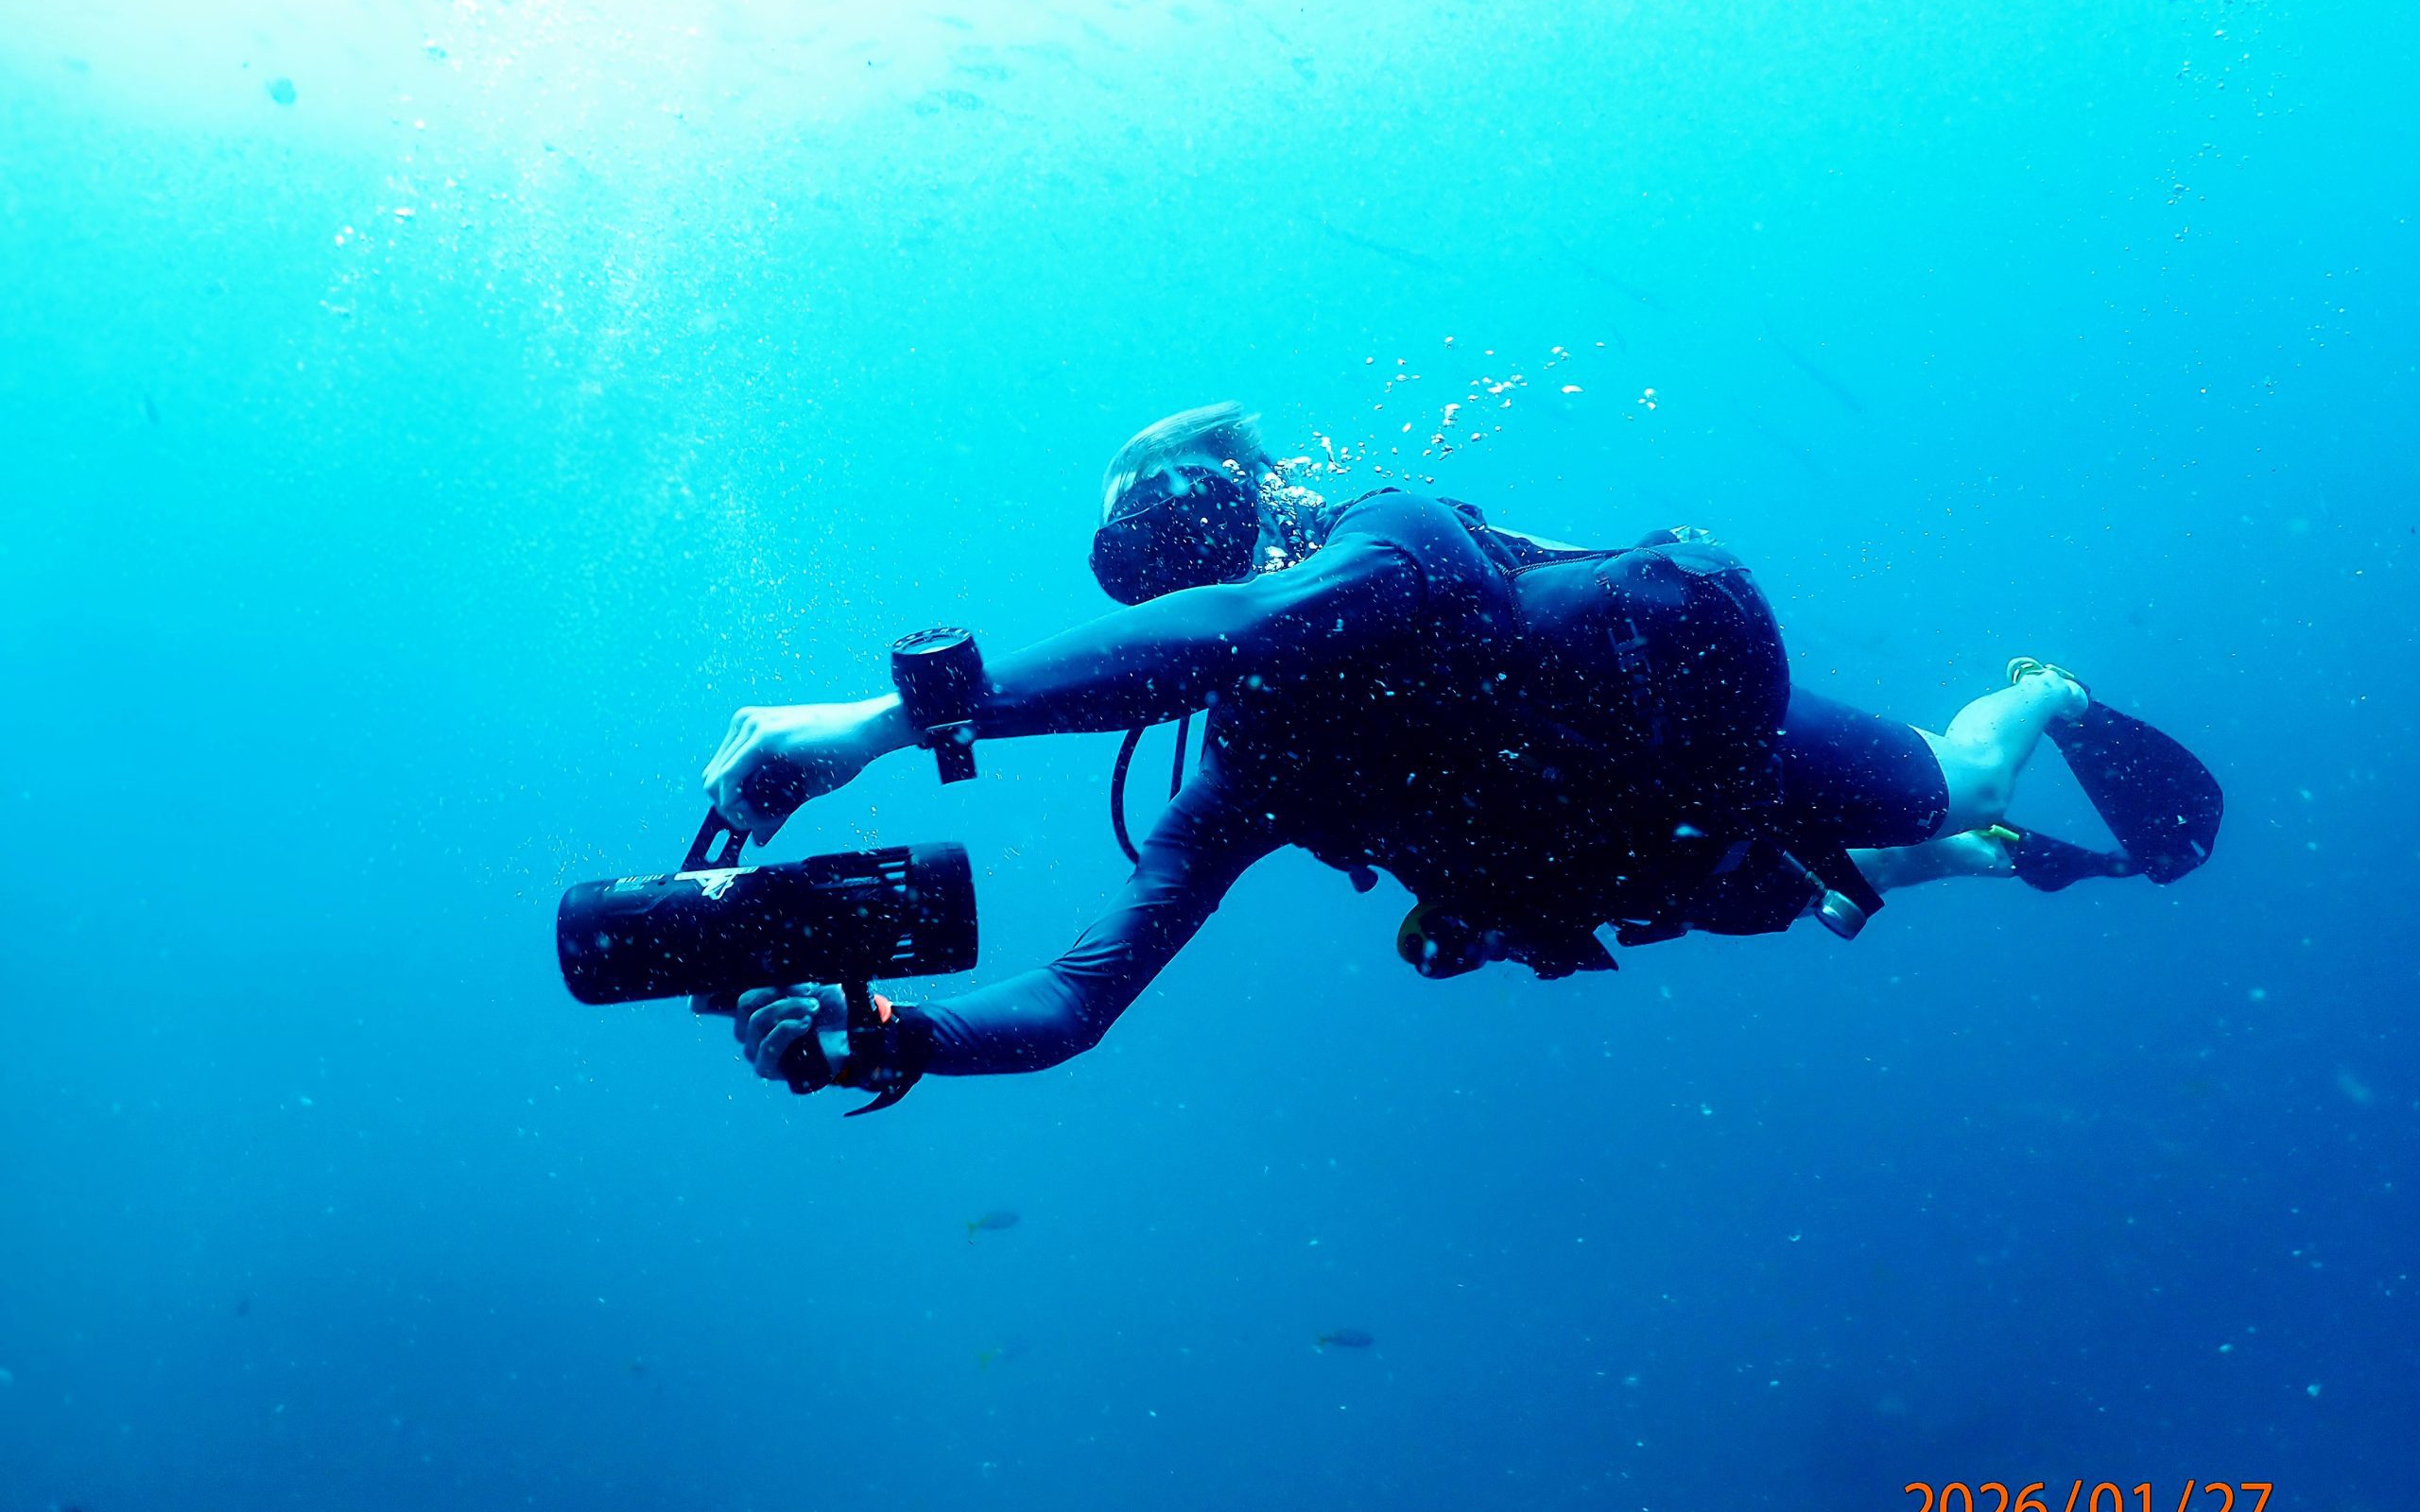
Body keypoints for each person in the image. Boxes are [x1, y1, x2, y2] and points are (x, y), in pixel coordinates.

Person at [700, 404, 2213, 1103]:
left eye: (1187, 520)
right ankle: (1978, 865)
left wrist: (891, 719)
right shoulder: (1247, 775)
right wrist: (884, 1025)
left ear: (1262, 503)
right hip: (1640, 857)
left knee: (1963, 779)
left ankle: (2046, 692)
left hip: (1692, 739)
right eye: (1134, 558)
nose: (1169, 568)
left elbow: (1241, 626)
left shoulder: (1394, 538)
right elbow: (1078, 997)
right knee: (1817, 877)